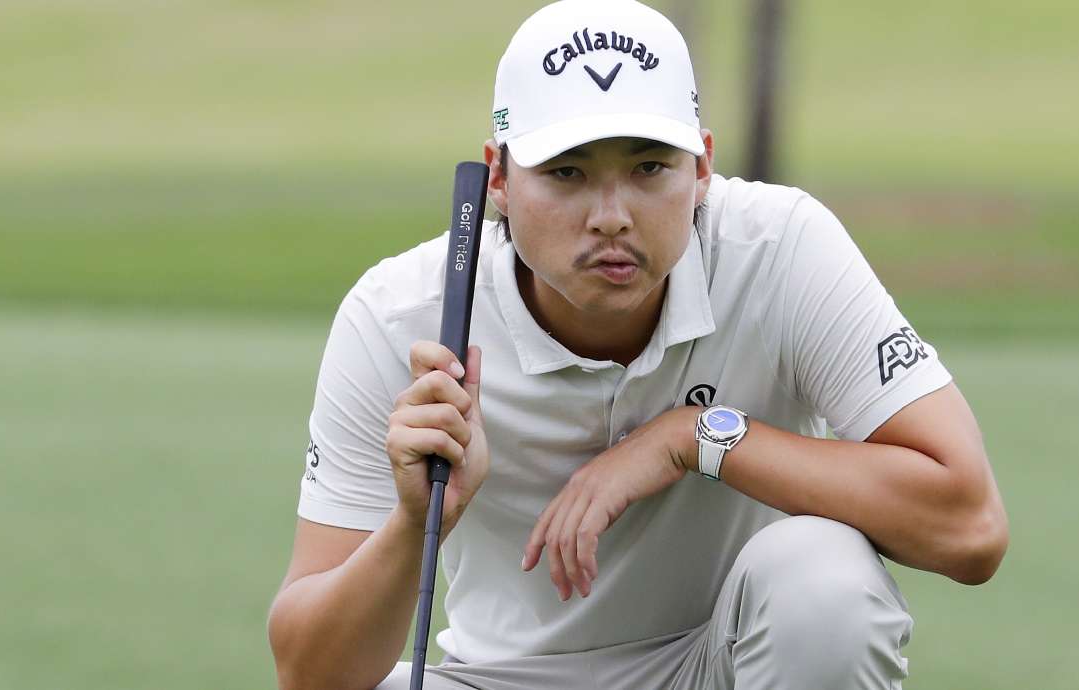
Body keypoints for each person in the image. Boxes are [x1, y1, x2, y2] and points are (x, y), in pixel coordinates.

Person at [267, 1, 1009, 688]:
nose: (611, 216)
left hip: (719, 666)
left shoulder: (780, 247)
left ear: (702, 169)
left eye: (650, 166)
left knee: (825, 578)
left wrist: (695, 437)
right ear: (497, 177)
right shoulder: (402, 314)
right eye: (566, 173)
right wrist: (413, 524)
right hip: (497, 678)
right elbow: (310, 672)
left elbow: (969, 526)